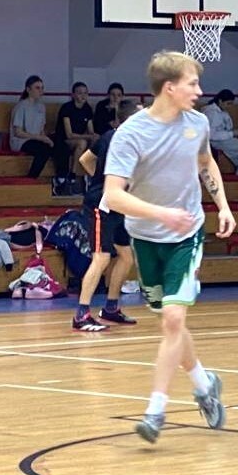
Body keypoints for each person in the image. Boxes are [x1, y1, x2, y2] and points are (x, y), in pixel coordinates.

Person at [102, 51, 236, 444]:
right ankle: (204, 384)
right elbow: (114, 195)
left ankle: (155, 412)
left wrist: (223, 205)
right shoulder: (131, 133)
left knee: (174, 320)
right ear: (169, 88)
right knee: (170, 322)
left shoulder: (198, 123)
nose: (199, 90)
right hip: (146, 238)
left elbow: (206, 163)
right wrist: (160, 213)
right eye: (192, 83)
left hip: (187, 235)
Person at [73, 99, 141, 332]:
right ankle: (81, 315)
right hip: (100, 206)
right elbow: (84, 160)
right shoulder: (116, 139)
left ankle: (111, 308)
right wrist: (102, 185)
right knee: (101, 258)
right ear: (131, 119)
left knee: (126, 256)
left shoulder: (117, 137)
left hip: (119, 205)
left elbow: (85, 159)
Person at [54, 82, 99, 195]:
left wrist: (94, 136)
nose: (83, 96)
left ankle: (92, 174)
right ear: (73, 95)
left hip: (81, 138)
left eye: (85, 93)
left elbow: (90, 130)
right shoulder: (66, 108)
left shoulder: (87, 109)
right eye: (79, 93)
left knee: (97, 140)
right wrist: (89, 136)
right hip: (64, 140)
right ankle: (72, 174)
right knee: (82, 143)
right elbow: (69, 134)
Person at [10, 76, 56, 180]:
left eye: (42, 88)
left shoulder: (41, 107)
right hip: (21, 141)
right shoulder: (21, 106)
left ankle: (61, 178)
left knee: (58, 146)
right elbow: (18, 132)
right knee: (43, 150)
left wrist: (46, 139)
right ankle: (31, 178)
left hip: (37, 140)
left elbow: (41, 130)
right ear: (28, 89)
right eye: (37, 88)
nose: (41, 91)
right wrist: (40, 138)